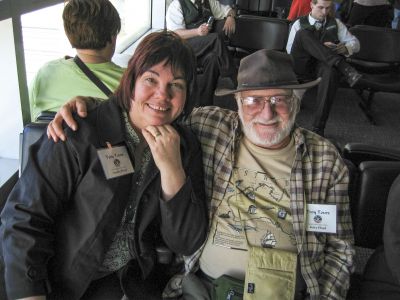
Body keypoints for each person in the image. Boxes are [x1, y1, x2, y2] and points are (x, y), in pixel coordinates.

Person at [47, 49, 355, 300]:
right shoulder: (210, 127)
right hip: (202, 287)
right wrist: (91, 108)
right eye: (253, 101)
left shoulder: (325, 161)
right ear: (236, 103)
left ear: (297, 103)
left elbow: (339, 249)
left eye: (279, 100)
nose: (266, 113)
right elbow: (149, 110)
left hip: (283, 292)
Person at [0, 31, 208, 300]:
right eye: (150, 80)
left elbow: (186, 242)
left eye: (176, 85)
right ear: (131, 81)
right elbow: (24, 216)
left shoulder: (185, 146)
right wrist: (30, 293)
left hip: (129, 282)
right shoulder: (79, 130)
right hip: (57, 283)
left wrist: (172, 171)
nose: (162, 95)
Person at [29, 0, 125, 121]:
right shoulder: (130, 81)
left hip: (50, 139)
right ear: (113, 35)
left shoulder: (45, 72)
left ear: (68, 33)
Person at [286, 0, 362, 136]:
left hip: (322, 67)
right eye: (320, 8)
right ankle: (343, 66)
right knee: (303, 35)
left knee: (331, 71)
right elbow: (289, 50)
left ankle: (318, 128)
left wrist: (345, 48)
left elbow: (356, 44)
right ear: (311, 5)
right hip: (302, 66)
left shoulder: (336, 23)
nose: (324, 12)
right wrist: (315, 47)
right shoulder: (299, 23)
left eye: (327, 8)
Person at [166, 0, 237, 108]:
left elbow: (229, 10)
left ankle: (205, 103)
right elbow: (175, 34)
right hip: (184, 47)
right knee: (216, 38)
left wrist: (230, 17)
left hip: (205, 47)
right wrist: (196, 32)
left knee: (213, 58)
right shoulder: (177, 5)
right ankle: (234, 77)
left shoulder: (209, 2)